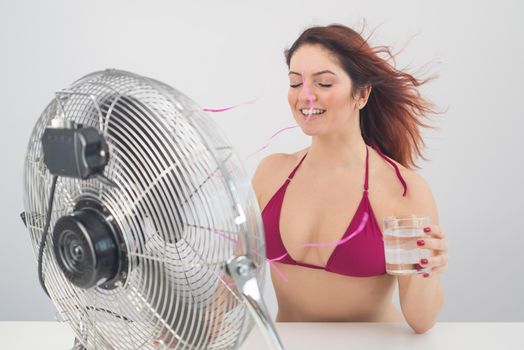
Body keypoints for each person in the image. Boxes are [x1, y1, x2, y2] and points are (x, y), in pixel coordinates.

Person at [251, 24, 448, 334]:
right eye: (294, 82)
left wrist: (428, 271)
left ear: (362, 93)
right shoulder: (270, 174)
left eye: (324, 83)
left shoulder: (401, 190)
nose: (306, 96)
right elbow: (231, 280)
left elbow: (420, 320)